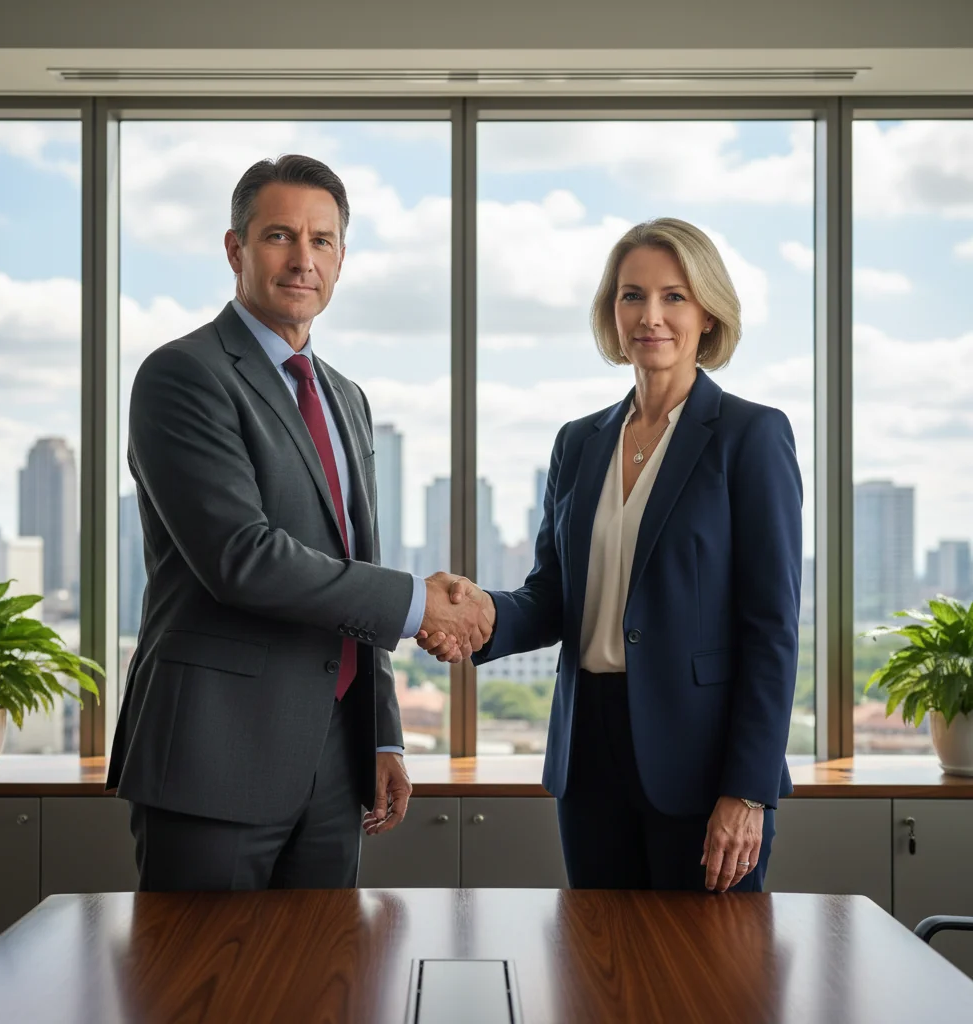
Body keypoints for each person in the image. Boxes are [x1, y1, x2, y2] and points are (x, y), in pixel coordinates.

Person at [107, 154, 490, 891]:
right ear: (236, 250)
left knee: (322, 991)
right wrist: (418, 605)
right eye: (280, 236)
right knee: (199, 995)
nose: (302, 259)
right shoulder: (183, 375)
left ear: (341, 259)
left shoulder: (345, 397)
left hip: (334, 759)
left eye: (322, 241)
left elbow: (353, 560)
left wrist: (381, 733)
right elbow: (241, 556)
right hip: (213, 757)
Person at [420, 218, 802, 893]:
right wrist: (479, 614)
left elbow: (771, 631)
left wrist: (747, 790)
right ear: (612, 311)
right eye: (632, 296)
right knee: (600, 979)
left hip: (703, 763)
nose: (650, 316)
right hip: (588, 755)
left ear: (708, 313)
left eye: (673, 296)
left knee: (705, 984)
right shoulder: (579, 442)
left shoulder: (751, 436)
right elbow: (553, 597)